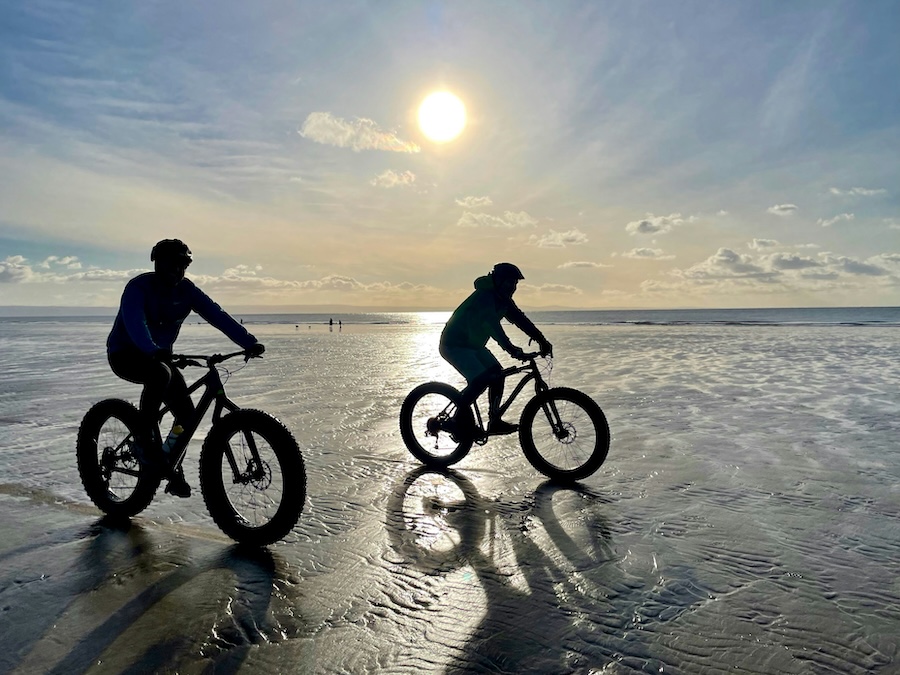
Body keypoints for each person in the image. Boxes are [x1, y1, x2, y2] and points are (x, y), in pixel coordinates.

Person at [106, 239, 265, 497]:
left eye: (183, 266)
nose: (178, 271)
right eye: (173, 265)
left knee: (186, 417)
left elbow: (217, 315)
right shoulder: (138, 287)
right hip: (126, 354)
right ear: (158, 264)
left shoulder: (187, 291)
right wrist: (152, 349)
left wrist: (249, 342)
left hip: (159, 357)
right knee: (160, 374)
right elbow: (135, 322)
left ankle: (169, 462)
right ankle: (145, 440)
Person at [439, 262, 553, 434]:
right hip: (454, 345)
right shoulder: (484, 297)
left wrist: (542, 340)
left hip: (474, 346)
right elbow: (492, 326)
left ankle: (494, 422)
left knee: (498, 375)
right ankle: (455, 421)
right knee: (481, 380)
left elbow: (520, 320)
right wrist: (511, 349)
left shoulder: (503, 300)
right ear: (498, 280)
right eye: (509, 282)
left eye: (515, 283)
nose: (512, 287)